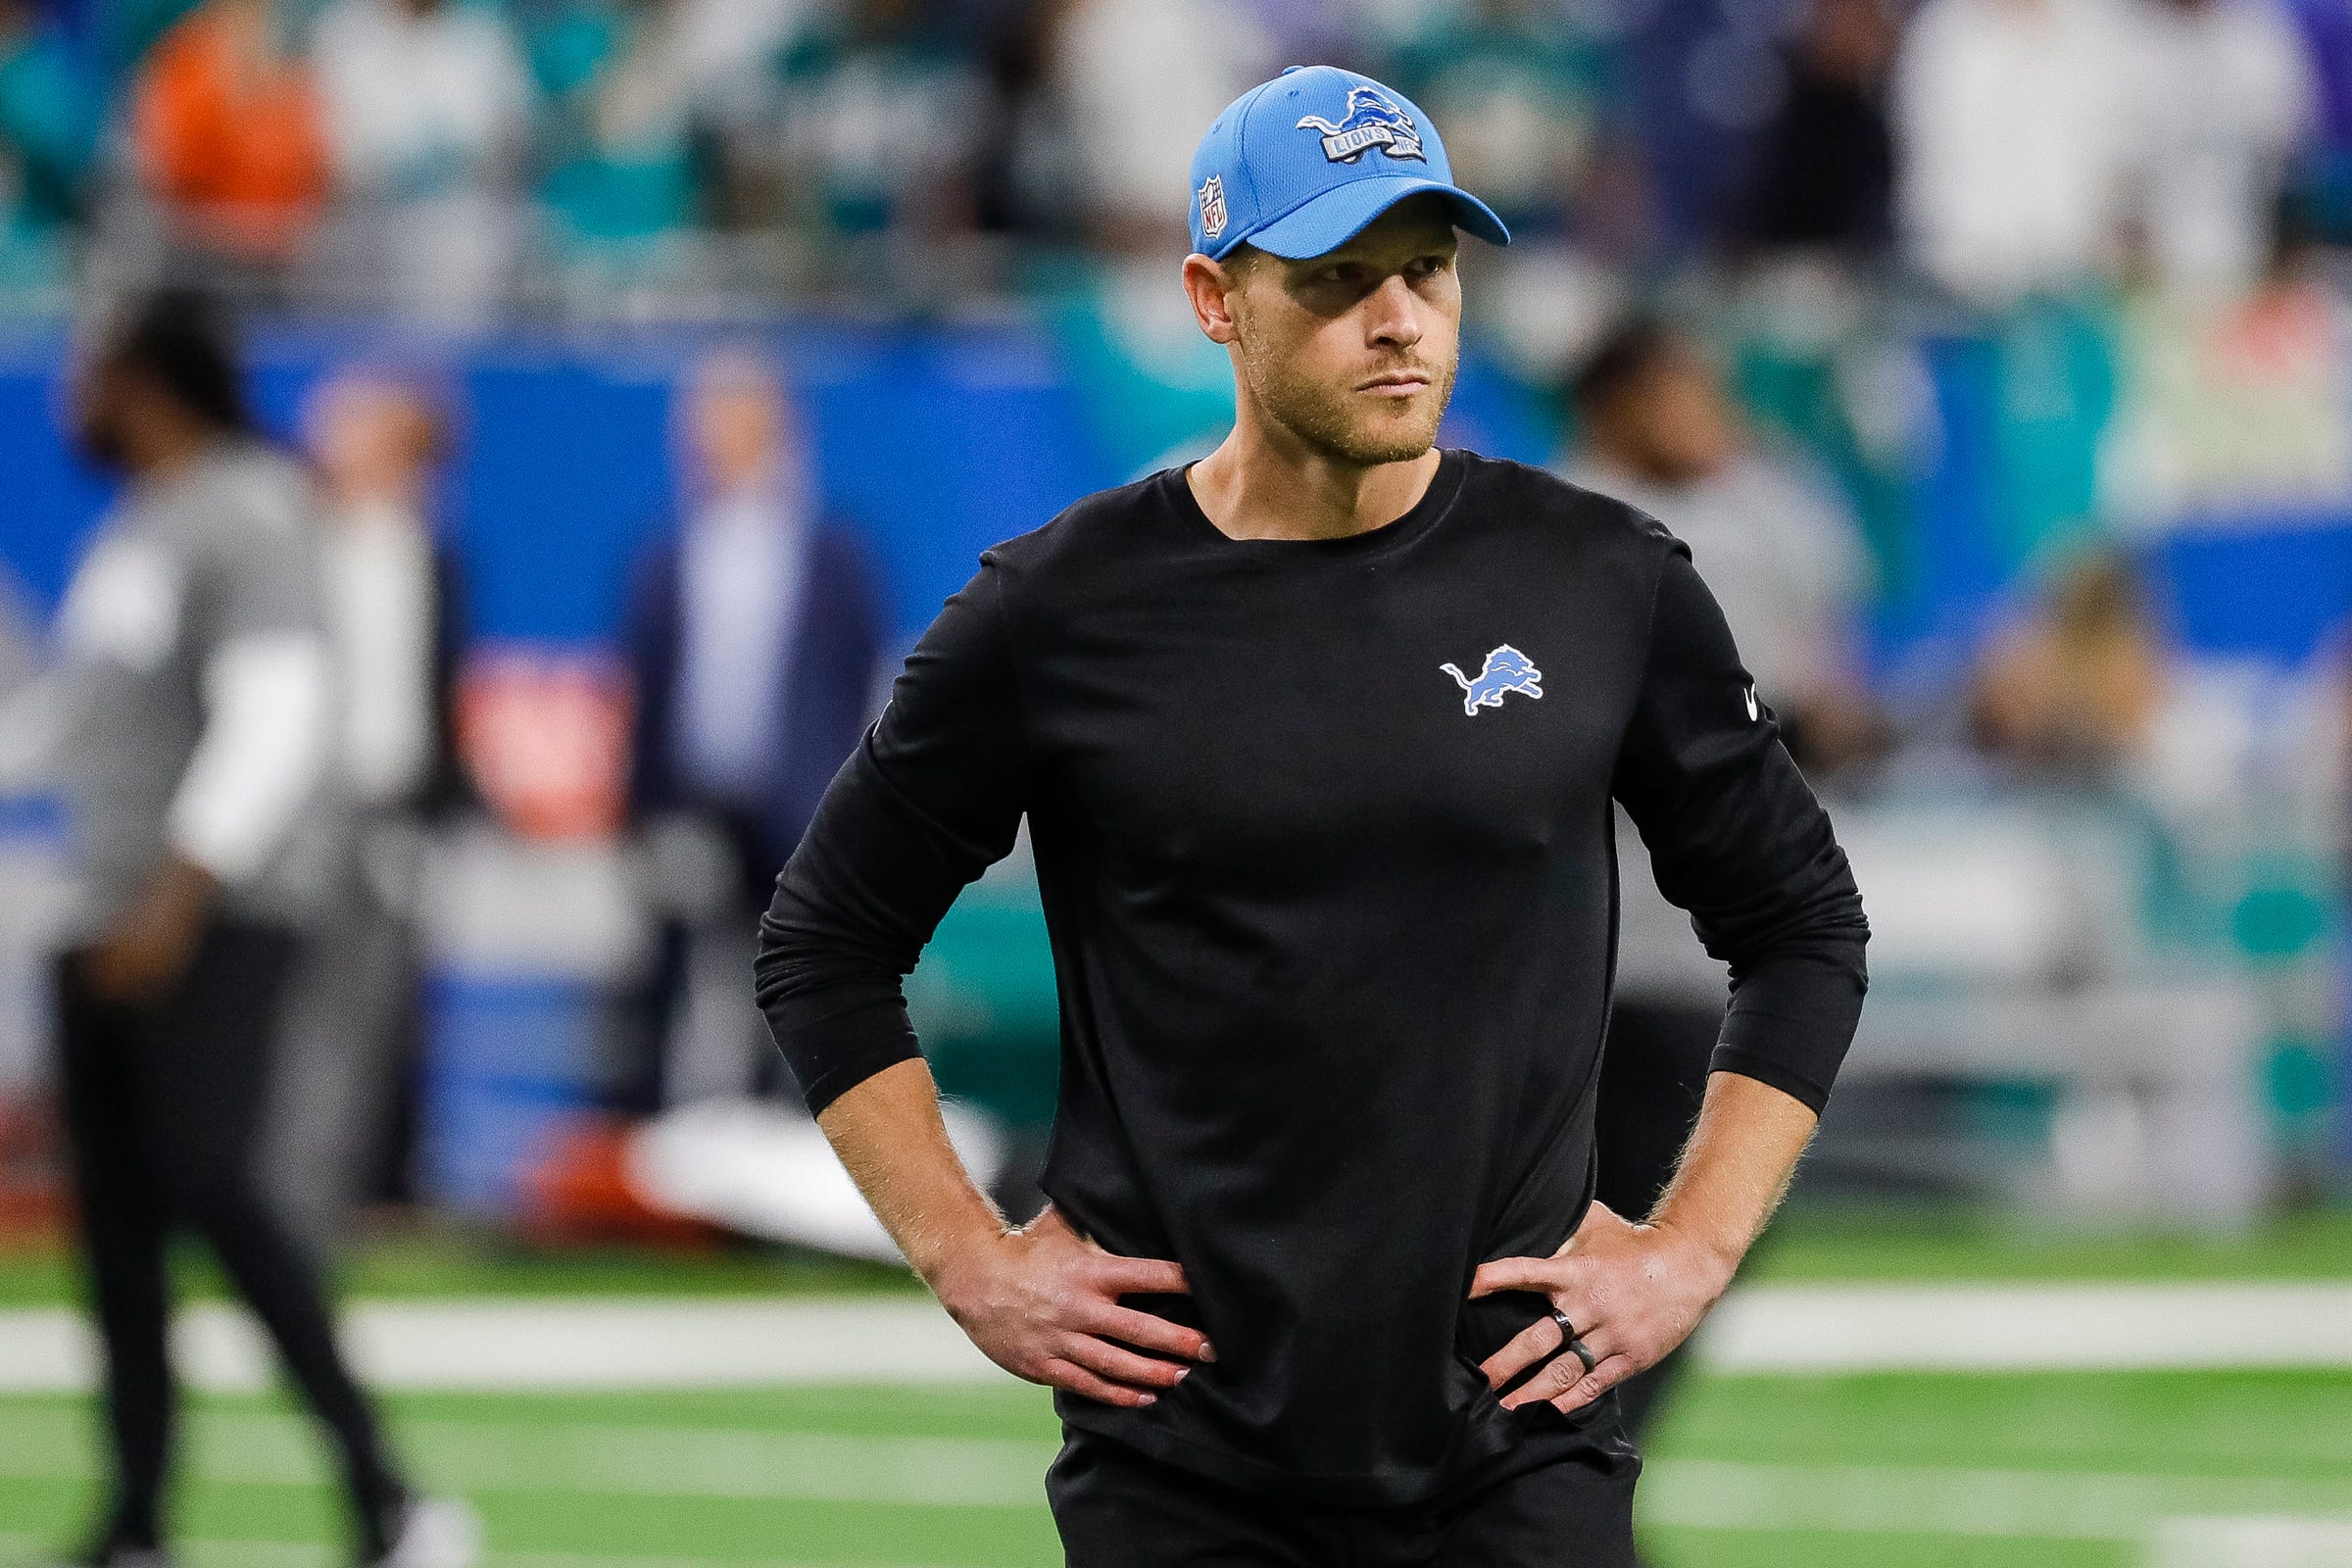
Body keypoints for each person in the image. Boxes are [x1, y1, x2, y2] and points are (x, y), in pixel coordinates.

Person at [756, 65, 1870, 1564]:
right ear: (1218, 300)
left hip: (1515, 1456)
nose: (1399, 317)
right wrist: (969, 1256)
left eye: (1426, 269)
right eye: (1339, 278)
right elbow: (825, 942)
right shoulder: (1062, 610)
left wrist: (1692, 1247)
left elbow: (1803, 921)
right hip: (1182, 1470)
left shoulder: (1600, 580)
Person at [40, 293, 476, 1568]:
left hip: (205, 917)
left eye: (91, 365)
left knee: (224, 1190)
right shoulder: (146, 520)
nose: (73, 390)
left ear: (142, 376)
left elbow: (277, 715)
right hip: (104, 908)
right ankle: (137, 1516)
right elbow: (87, 722)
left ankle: (386, 1493)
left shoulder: (252, 506)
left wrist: (176, 895)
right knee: (114, 1225)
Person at [623, 346, 883, 1107]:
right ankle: (650, 1145)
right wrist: (645, 811)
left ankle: (779, 1142)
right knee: (668, 979)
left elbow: (853, 681)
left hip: (794, 806)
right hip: (693, 798)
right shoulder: (670, 551)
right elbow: (649, 685)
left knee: (791, 985)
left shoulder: (831, 552)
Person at [271, 367, 469, 1248]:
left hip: (396, 814)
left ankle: (377, 1191)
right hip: (312, 812)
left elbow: (436, 690)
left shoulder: (430, 550)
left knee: (382, 1008)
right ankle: (291, 1194)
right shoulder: (297, 542)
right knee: (300, 1012)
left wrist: (437, 805)